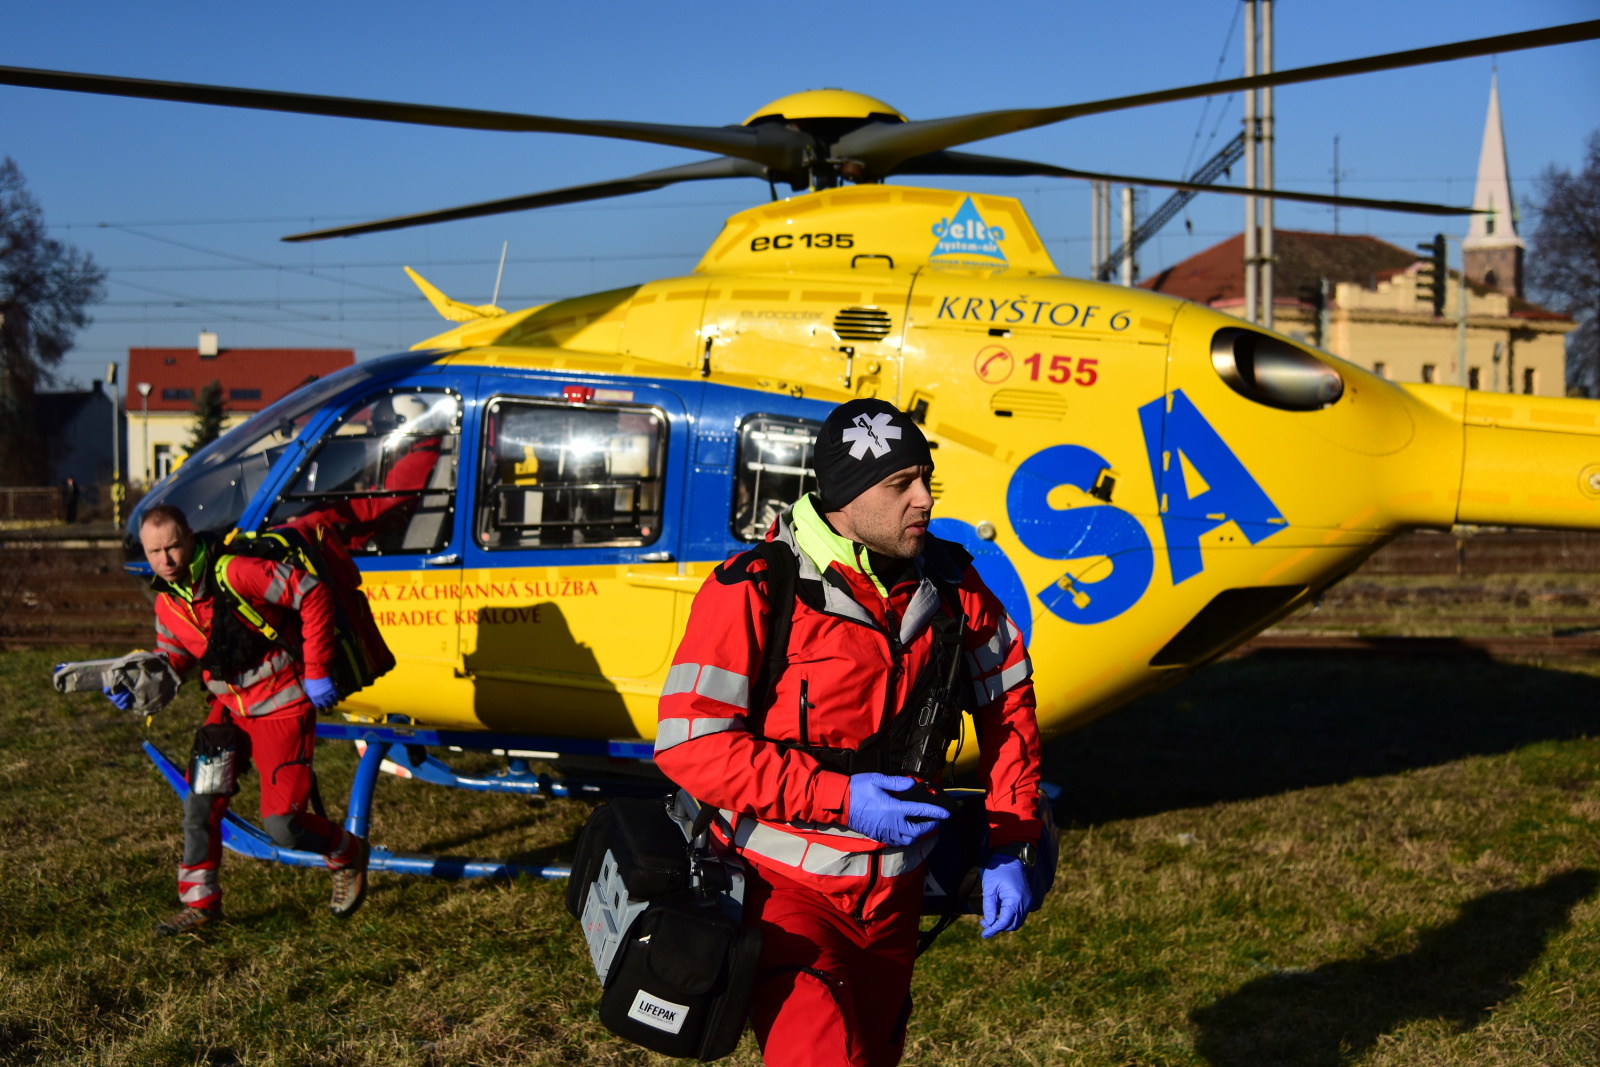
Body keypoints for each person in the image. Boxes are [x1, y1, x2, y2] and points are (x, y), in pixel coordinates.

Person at [654, 399, 1043, 1067]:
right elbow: (690, 745)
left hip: (896, 900)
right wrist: (841, 798)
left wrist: (1013, 840)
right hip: (783, 898)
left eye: (926, 478)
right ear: (845, 496)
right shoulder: (754, 588)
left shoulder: (954, 584)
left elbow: (1010, 710)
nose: (925, 499)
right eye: (901, 484)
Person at [105, 504, 369, 935]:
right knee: (200, 804)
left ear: (190, 539)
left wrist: (318, 669)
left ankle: (347, 852)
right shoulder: (168, 602)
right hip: (229, 712)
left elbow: (312, 592)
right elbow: (174, 658)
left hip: (283, 707)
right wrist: (139, 686)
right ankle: (200, 905)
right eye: (154, 552)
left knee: (285, 826)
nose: (166, 560)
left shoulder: (236, 572)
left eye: (173, 547)